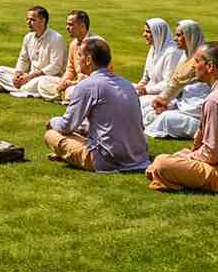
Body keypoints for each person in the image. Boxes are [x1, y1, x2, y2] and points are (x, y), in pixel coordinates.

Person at [146, 42, 218, 194]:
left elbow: (211, 154)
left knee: (161, 163)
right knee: (178, 156)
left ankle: (165, 175)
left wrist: (189, 157)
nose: (193, 66)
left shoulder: (217, 99)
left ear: (210, 67)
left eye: (197, 61)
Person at [44, 38, 150, 173]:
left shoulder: (87, 85)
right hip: (139, 157)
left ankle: (69, 154)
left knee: (51, 135)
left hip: (107, 161)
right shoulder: (127, 84)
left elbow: (66, 126)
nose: (78, 60)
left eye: (79, 56)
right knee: (80, 130)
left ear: (88, 60)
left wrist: (52, 122)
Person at [144, 20, 209, 138]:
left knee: (165, 118)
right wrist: (166, 103)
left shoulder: (202, 62)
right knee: (149, 112)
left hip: (196, 117)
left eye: (179, 35)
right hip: (182, 106)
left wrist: (165, 102)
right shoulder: (185, 57)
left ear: (190, 37)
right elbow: (176, 86)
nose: (175, 39)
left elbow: (198, 105)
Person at [0, 5, 67, 97]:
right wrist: (18, 74)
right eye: (27, 19)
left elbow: (55, 66)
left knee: (41, 83)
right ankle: (20, 88)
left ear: (42, 20)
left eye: (32, 20)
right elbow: (23, 59)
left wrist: (30, 76)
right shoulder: (28, 37)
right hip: (29, 77)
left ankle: (15, 88)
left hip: (47, 77)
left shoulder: (56, 38)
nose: (28, 22)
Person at [37, 10, 98, 102]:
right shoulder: (73, 44)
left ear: (82, 26)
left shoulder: (97, 44)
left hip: (92, 85)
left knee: (72, 92)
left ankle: (65, 96)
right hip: (75, 84)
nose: (67, 28)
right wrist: (62, 83)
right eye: (67, 24)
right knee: (43, 82)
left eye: (71, 25)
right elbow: (70, 69)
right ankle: (63, 95)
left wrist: (73, 83)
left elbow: (100, 76)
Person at [134, 18, 184, 107]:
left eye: (148, 32)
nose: (144, 35)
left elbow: (169, 83)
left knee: (137, 104)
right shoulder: (154, 48)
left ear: (158, 33)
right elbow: (146, 77)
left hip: (164, 96)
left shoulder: (172, 53)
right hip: (149, 90)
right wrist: (138, 88)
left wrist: (146, 90)